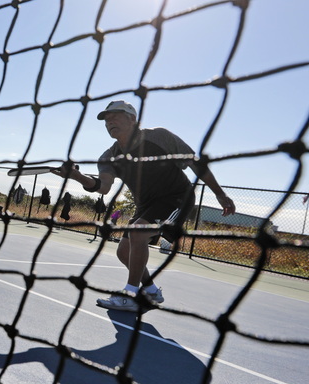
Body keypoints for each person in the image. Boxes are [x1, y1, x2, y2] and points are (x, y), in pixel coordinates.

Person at [54, 100, 236, 311]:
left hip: (177, 196)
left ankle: (130, 294)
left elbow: (195, 163)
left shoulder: (159, 136)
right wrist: (76, 176)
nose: (109, 121)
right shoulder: (108, 157)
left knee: (138, 232)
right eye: (106, 119)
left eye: (115, 116)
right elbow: (103, 187)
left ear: (132, 119)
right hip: (146, 204)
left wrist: (220, 194)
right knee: (124, 252)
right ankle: (150, 290)